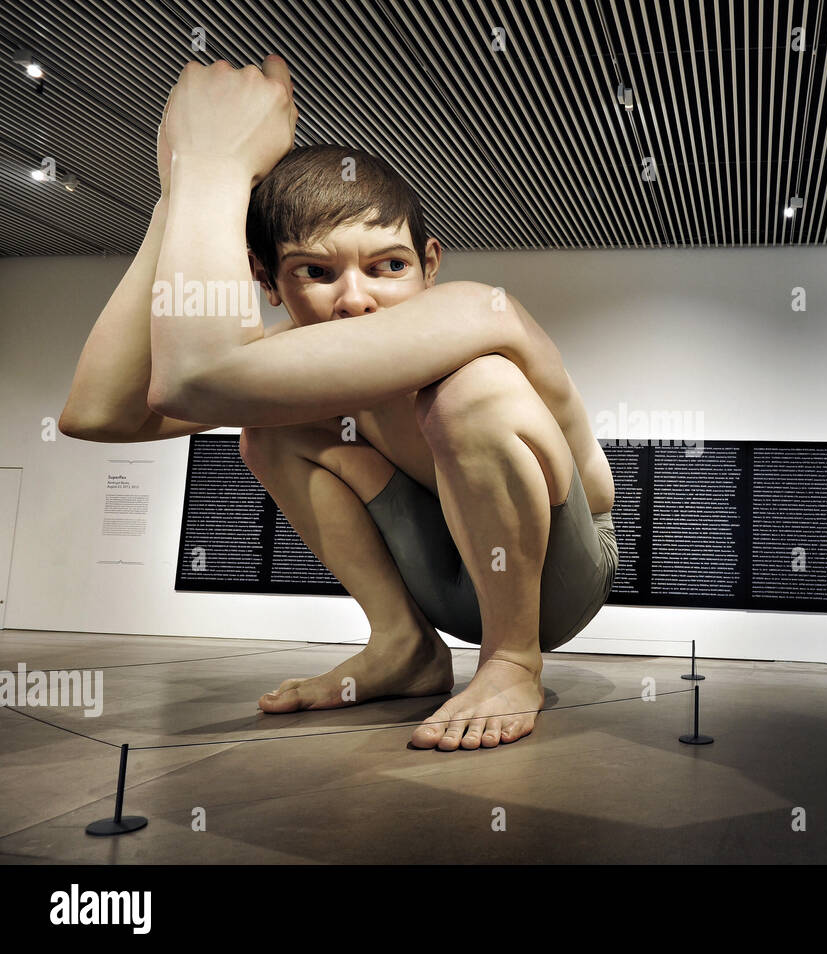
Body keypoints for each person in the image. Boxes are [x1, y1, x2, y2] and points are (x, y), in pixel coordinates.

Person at [57, 56, 617, 752]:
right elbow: (98, 414)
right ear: (267, 281)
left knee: (475, 388)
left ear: (430, 264)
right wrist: (176, 199)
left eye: (388, 265)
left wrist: (215, 168)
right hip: (442, 574)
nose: (355, 299)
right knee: (267, 432)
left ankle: (510, 659)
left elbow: (194, 376)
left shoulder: (473, 312)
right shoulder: (289, 366)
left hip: (560, 578)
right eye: (316, 273)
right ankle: (403, 646)